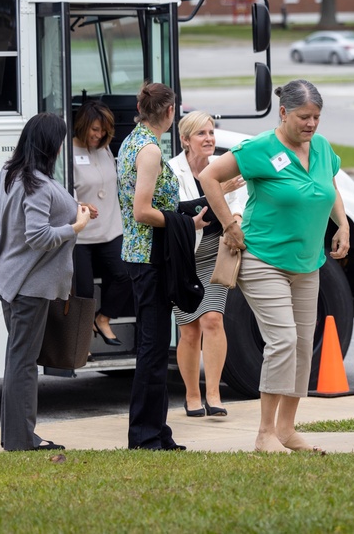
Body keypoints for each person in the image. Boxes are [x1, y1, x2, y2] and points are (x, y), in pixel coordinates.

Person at [200, 79, 349, 454]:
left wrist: (343, 222)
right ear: (283, 113)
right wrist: (230, 226)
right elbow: (209, 177)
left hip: (307, 263)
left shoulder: (322, 149)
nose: (311, 124)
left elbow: (330, 184)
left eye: (316, 117)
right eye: (303, 117)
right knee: (282, 341)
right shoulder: (260, 148)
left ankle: (286, 429)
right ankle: (264, 433)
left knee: (301, 346)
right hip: (262, 259)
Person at [0, 112, 92, 452]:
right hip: (30, 286)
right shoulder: (39, 185)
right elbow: (38, 236)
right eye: (59, 141)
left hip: (9, 280)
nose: (62, 147)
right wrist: (74, 228)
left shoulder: (10, 173)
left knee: (18, 360)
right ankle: (20, 439)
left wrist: (74, 211)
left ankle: (15, 435)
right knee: (24, 363)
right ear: (51, 145)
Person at [118, 81, 208, 451]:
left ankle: (156, 430)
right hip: (150, 257)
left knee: (153, 349)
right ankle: (144, 435)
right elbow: (142, 210)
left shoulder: (131, 140)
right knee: (153, 351)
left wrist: (192, 214)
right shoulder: (151, 150)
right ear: (170, 112)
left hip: (141, 254)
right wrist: (186, 224)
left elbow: (153, 206)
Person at [167, 110, 247, 418]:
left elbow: (239, 204)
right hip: (184, 254)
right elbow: (176, 214)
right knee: (189, 330)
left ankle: (213, 393)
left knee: (213, 319)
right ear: (185, 140)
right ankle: (191, 394)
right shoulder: (171, 170)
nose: (209, 138)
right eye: (201, 134)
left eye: (211, 132)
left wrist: (235, 220)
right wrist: (216, 193)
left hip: (216, 249)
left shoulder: (222, 165)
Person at [71, 101, 134, 346]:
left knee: (125, 275)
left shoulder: (105, 149)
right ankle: (82, 340)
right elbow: (61, 190)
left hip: (110, 228)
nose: (99, 135)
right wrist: (80, 206)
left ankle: (103, 318)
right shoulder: (68, 150)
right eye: (95, 129)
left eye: (104, 130)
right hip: (81, 234)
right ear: (83, 125)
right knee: (84, 291)